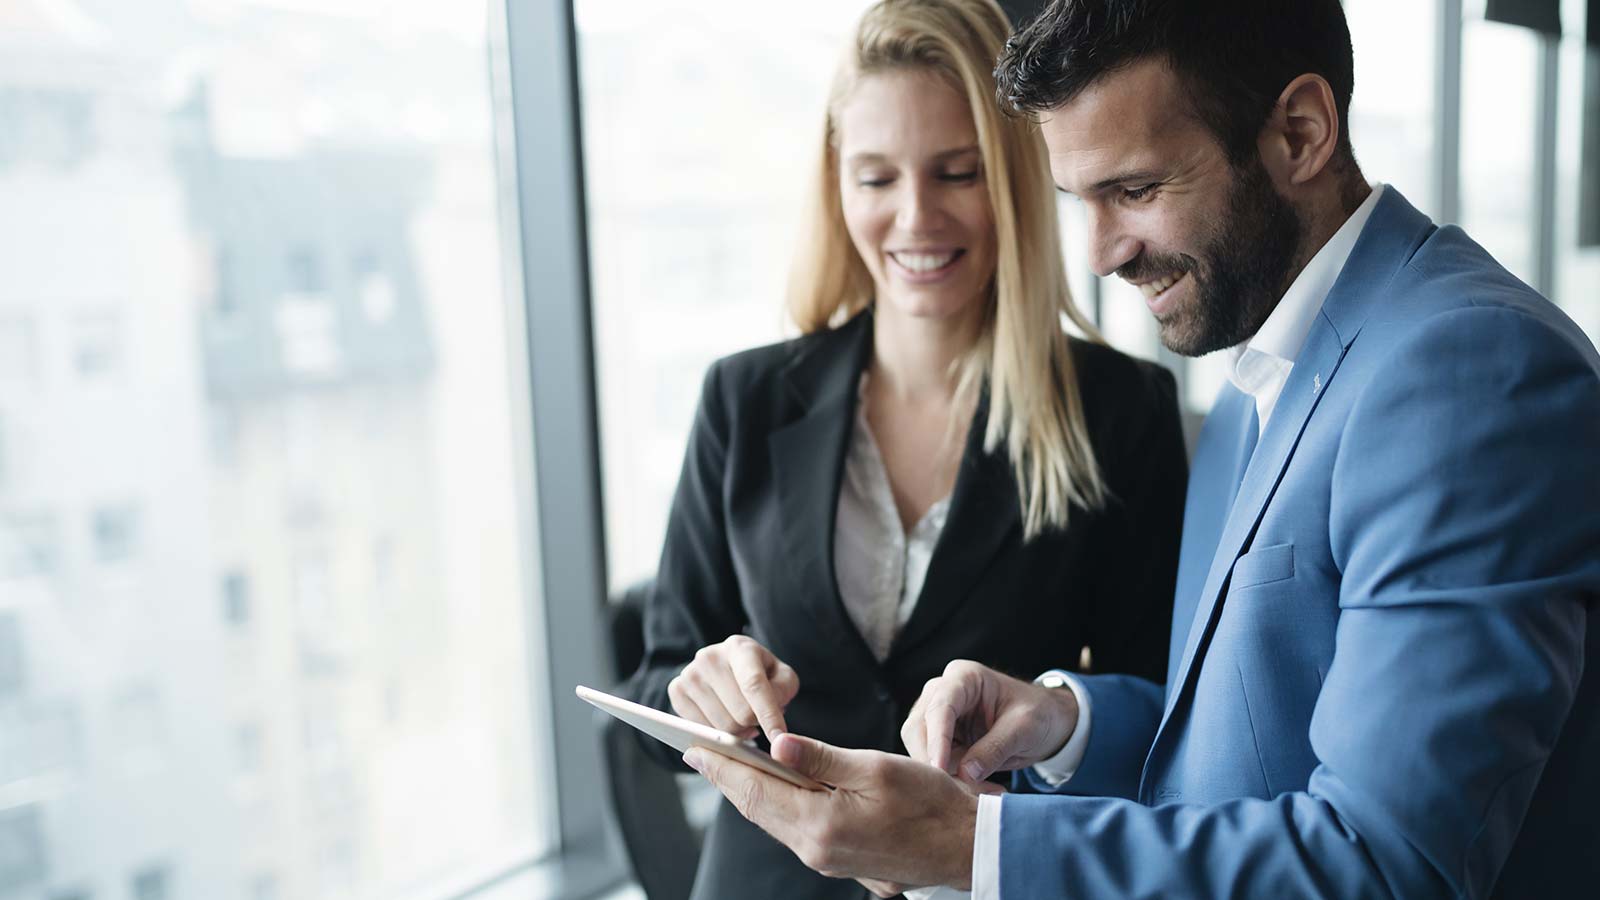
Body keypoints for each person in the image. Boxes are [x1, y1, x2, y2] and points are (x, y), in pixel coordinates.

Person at [679, 1, 1600, 897]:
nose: (1102, 251)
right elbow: (1242, 741)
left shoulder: (1469, 370)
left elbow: (1385, 862)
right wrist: (1067, 722)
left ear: (1301, 132)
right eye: (1080, 199)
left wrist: (970, 843)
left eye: (1137, 189)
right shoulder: (1261, 377)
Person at [622, 1, 1189, 897]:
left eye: (956, 172)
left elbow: (1158, 724)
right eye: (877, 178)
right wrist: (700, 697)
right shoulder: (744, 399)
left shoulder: (1121, 412)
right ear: (837, 185)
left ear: (1010, 178)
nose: (916, 217)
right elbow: (648, 700)